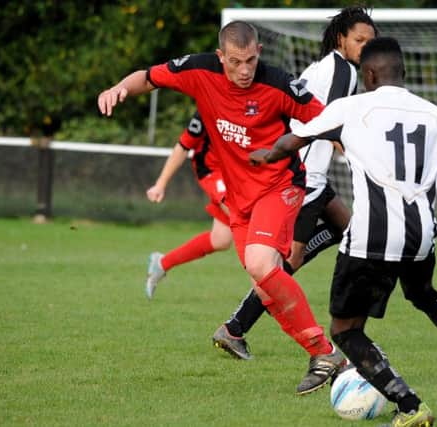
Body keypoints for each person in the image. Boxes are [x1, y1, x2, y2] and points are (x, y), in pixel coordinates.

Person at [250, 37, 437, 427]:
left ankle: (410, 406)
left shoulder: (351, 106)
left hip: (370, 236)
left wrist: (266, 154)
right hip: (421, 236)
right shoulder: (435, 114)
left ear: (369, 74)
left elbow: (296, 140)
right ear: (403, 73)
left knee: (345, 331)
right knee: (423, 293)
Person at [98, 20, 345, 395]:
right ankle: (323, 357)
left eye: (249, 60)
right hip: (239, 199)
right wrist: (120, 88)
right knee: (264, 287)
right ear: (221, 58)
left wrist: (363, 154)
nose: (244, 70)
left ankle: (327, 354)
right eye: (235, 62)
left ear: (258, 53)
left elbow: (329, 121)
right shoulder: (200, 71)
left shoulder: (279, 84)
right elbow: (148, 77)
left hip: (281, 187)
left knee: (263, 266)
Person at [211, 6, 377, 362]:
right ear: (341, 39)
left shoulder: (328, 67)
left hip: (308, 171)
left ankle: (240, 324)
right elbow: (330, 122)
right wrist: (364, 159)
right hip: (305, 176)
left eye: (370, 42)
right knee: (291, 259)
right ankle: (236, 327)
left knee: (348, 229)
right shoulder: (341, 72)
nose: (366, 47)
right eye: (359, 40)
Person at [144, 111, 233, 300]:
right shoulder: (207, 107)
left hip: (238, 172)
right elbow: (183, 146)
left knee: (221, 239)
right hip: (211, 170)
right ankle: (266, 290)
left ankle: (162, 263)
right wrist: (161, 184)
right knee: (241, 215)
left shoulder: (257, 99)